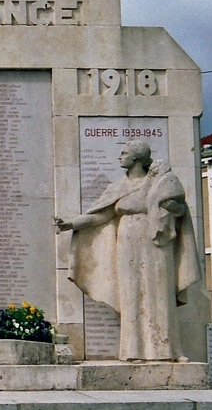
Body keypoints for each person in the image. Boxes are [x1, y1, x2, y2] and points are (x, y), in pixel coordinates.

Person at [54, 140, 201, 362]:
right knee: (131, 294)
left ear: (136, 158)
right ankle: (134, 351)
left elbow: (180, 210)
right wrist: (70, 224)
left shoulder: (159, 181)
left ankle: (168, 350)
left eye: (124, 153)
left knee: (161, 292)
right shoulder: (117, 188)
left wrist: (171, 207)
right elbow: (100, 216)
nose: (119, 156)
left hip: (157, 239)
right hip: (128, 239)